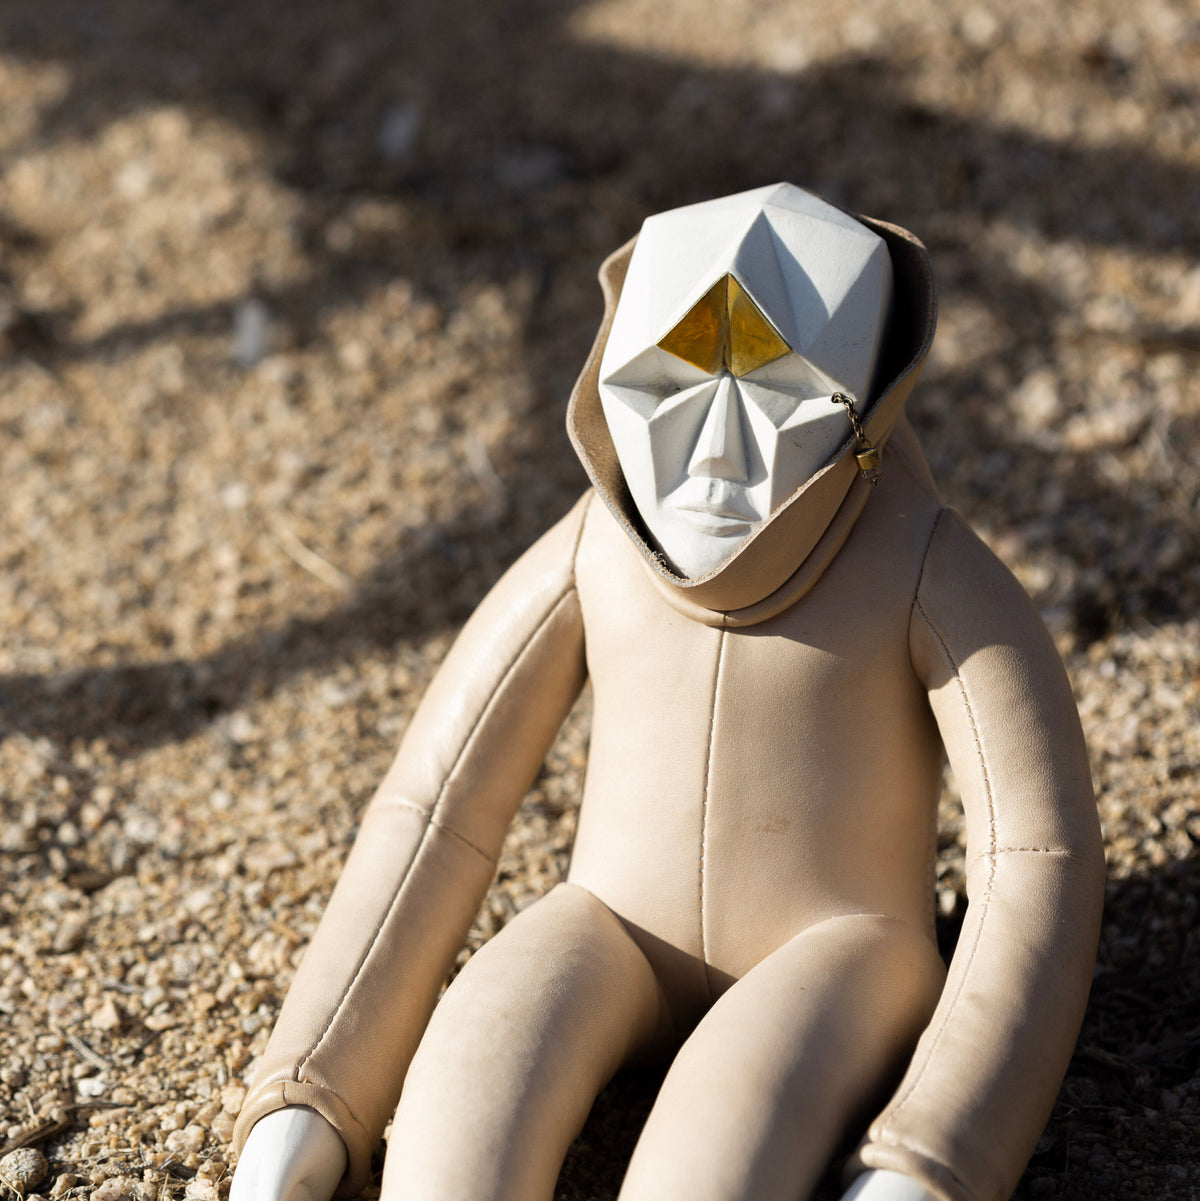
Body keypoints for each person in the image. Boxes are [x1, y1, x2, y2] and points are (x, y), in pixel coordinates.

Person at [230, 184, 1104, 1201]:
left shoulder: (928, 571)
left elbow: (1036, 864)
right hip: (608, 917)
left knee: (713, 1162)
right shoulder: (593, 551)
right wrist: (311, 1086)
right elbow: (433, 813)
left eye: (771, 381)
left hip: (839, 943)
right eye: (676, 377)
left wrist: (937, 1149)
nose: (717, 445)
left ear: (862, 397)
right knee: (455, 1123)